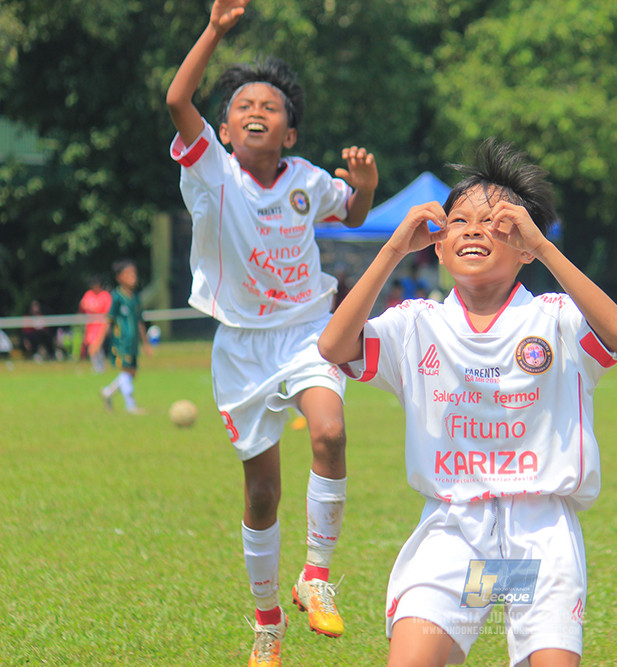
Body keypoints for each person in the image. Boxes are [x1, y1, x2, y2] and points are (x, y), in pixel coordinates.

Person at [318, 139, 617, 667]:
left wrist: (547, 247)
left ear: (525, 246)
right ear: (439, 247)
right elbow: (333, 346)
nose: (471, 229)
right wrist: (393, 249)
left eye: (494, 223)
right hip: (454, 531)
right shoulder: (417, 324)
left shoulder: (556, 317)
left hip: (539, 535)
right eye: (458, 220)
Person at [165, 0, 378, 663]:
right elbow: (177, 97)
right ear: (224, 130)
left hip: (308, 331)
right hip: (242, 347)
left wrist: (366, 189)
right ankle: (267, 623)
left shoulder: (309, 180)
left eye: (274, 106)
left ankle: (316, 575)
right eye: (243, 105)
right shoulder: (211, 173)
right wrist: (214, 31)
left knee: (330, 430)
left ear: (289, 134)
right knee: (262, 493)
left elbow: (351, 214)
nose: (258, 108)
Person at [92, 260, 153, 414]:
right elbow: (108, 320)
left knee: (131, 372)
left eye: (134, 274)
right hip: (121, 342)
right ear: (119, 277)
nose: (133, 277)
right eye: (128, 274)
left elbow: (139, 321)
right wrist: (98, 342)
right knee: (126, 371)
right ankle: (130, 405)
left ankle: (108, 392)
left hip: (132, 343)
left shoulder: (135, 298)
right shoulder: (117, 297)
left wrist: (145, 344)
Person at [79, 274, 112, 372]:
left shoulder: (105, 295)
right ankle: (97, 366)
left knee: (97, 346)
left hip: (101, 325)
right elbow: (83, 305)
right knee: (92, 346)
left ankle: (100, 366)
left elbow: (107, 311)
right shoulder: (88, 294)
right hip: (91, 326)